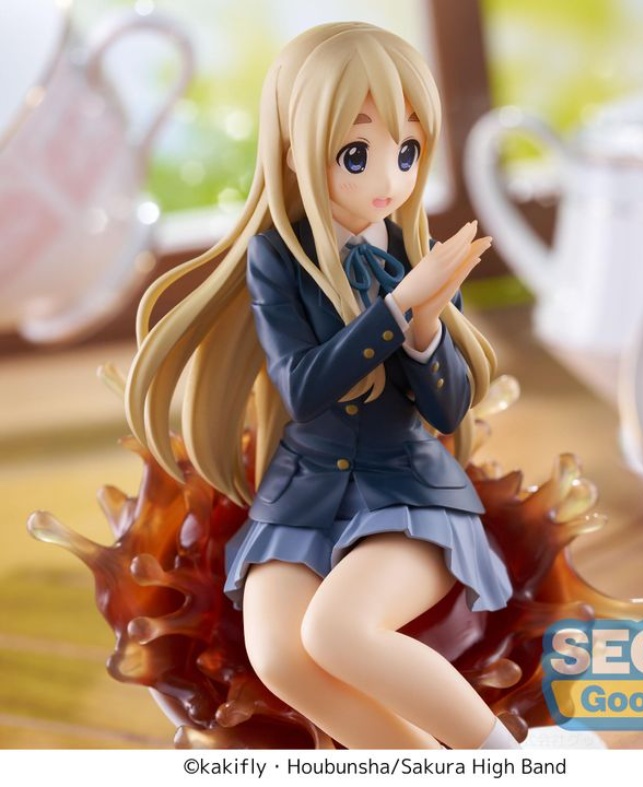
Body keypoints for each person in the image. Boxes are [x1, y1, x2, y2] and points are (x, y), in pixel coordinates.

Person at [125, 21, 518, 750]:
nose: (388, 181)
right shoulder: (278, 258)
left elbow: (447, 407)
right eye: (356, 154)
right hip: (302, 495)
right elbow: (303, 387)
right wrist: (398, 309)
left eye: (407, 152)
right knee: (281, 655)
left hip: (410, 491)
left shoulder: (420, 255)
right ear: (293, 148)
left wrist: (426, 325)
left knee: (340, 632)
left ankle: (509, 760)